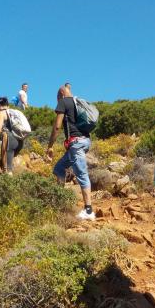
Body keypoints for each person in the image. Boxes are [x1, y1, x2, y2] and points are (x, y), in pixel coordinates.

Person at [46, 86, 95, 220]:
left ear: (61, 94)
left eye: (57, 99)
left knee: (82, 174)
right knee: (59, 168)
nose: (57, 103)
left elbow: (57, 126)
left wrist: (50, 146)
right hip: (84, 141)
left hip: (76, 144)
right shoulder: (77, 101)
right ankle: (59, 202)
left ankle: (89, 211)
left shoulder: (63, 102)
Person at [0, 97, 24, 175]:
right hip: (20, 141)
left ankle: (9, 185)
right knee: (6, 165)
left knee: (7, 170)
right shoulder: (14, 112)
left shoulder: (1, 113)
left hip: (9, 140)